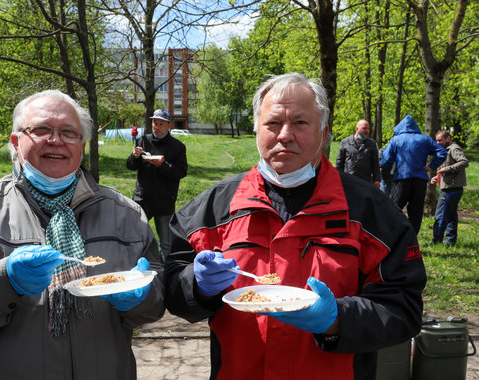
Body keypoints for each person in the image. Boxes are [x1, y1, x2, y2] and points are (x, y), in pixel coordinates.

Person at [165, 73, 426, 380]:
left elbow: (405, 308)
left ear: (324, 132)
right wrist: (196, 286)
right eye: (273, 124)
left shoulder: (372, 213)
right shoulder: (210, 211)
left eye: (300, 123)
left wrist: (337, 320)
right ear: (256, 129)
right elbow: (172, 291)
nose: (284, 135)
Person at [0, 90, 165, 380]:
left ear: (82, 145)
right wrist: (3, 279)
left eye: (69, 133)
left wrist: (141, 298)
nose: (56, 140)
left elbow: (156, 302)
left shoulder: (126, 214)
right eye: (41, 130)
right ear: (15, 141)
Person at [127, 109, 188, 261]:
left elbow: (181, 172)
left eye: (161, 123)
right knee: (135, 237)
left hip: (164, 200)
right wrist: (134, 156)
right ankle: (136, 266)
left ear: (169, 125)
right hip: (142, 199)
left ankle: (167, 273)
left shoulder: (177, 147)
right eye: (155, 122)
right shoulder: (142, 141)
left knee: (166, 243)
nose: (157, 126)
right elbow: (130, 166)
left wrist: (162, 165)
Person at [380, 115, 446, 234]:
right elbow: (442, 152)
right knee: (416, 211)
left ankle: (393, 236)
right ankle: (412, 239)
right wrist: (431, 166)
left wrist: (387, 174)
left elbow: (386, 160)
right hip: (420, 180)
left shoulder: (396, 139)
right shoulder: (425, 139)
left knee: (394, 209)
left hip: (401, 179)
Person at [430, 130, 469, 247]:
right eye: (436, 140)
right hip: (451, 187)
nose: (438, 142)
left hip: (451, 189)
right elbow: (445, 168)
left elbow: (464, 162)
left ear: (448, 138)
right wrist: (437, 177)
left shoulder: (453, 148)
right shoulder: (446, 150)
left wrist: (446, 170)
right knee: (451, 216)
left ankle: (436, 241)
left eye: (440, 140)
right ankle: (451, 242)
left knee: (440, 215)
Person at [336, 119, 381, 188]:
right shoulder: (345, 142)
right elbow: (339, 163)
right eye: (364, 128)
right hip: (349, 181)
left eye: (368, 129)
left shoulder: (371, 144)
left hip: (365, 182)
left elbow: (375, 163)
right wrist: (337, 178)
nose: (367, 131)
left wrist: (377, 180)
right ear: (356, 129)